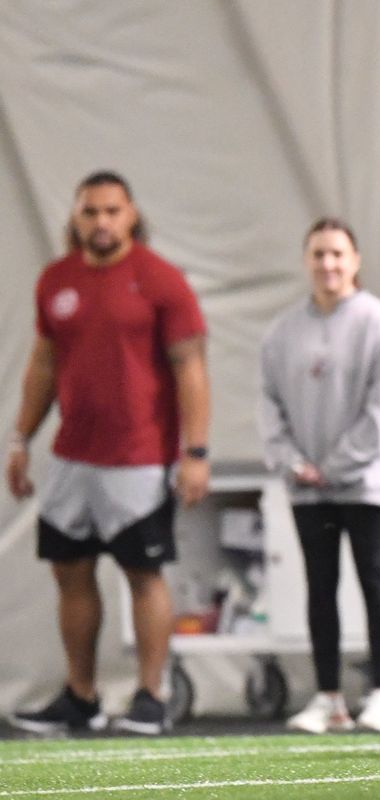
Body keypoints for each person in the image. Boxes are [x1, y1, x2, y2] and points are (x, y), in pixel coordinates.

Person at [6, 170, 211, 735]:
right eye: (90, 212)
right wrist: (21, 438)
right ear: (75, 217)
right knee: (70, 571)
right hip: (73, 455)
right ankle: (81, 696)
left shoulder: (160, 280)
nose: (101, 222)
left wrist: (195, 450)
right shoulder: (56, 281)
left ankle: (151, 696)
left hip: (139, 458)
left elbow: (190, 366)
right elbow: (43, 365)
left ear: (131, 215)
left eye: (111, 211)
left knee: (143, 572)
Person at [258, 217, 380, 734]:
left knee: (373, 578)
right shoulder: (282, 333)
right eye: (319, 254)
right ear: (306, 261)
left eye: (338, 254)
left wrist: (336, 467)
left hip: (366, 484)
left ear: (355, 261)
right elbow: (269, 407)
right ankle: (328, 698)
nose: (328, 264)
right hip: (307, 489)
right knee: (319, 586)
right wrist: (296, 465)